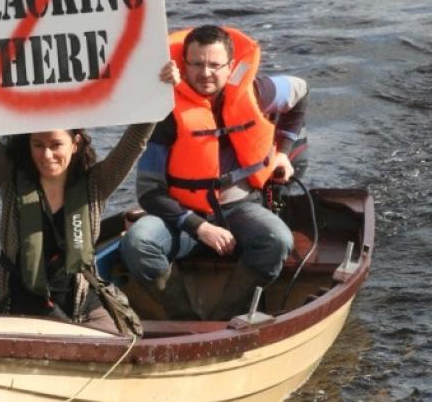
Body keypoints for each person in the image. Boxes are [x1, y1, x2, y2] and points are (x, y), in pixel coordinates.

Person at [0, 32, 179, 333]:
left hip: (80, 305)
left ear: (74, 144)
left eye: (55, 145)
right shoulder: (10, 178)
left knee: (125, 346)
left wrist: (161, 86)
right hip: (21, 305)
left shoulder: (96, 184)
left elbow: (136, 139)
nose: (47, 155)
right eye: (38, 145)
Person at [120, 25, 309, 320]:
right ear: (184, 65)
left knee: (277, 240)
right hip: (180, 219)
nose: (205, 73)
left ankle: (225, 316)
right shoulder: (166, 112)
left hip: (240, 210)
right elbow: (148, 192)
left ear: (231, 66)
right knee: (137, 242)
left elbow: (301, 92)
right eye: (196, 64)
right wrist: (199, 227)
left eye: (214, 65)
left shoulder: (258, 92)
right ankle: (185, 319)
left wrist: (283, 152)